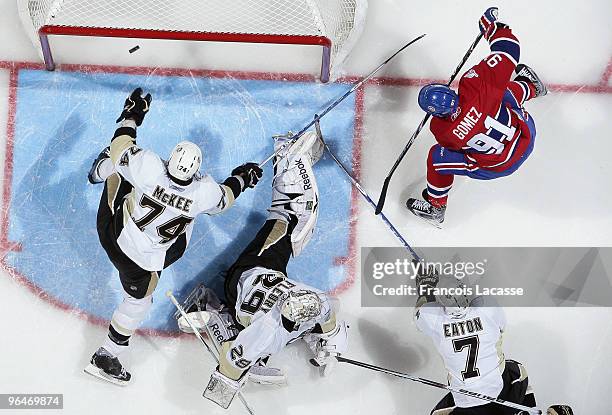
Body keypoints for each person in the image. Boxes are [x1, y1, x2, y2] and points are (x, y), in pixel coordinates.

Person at [84, 88, 263, 386]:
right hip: (143, 264)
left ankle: (99, 171)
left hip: (115, 235)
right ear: (194, 171)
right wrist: (243, 177)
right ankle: (108, 353)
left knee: (122, 165)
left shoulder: (150, 166)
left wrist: (133, 113)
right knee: (139, 303)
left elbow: (121, 142)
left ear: (170, 160)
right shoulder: (203, 192)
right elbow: (225, 197)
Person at [177, 128, 348, 409]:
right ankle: (213, 309)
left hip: (250, 273)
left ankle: (289, 158)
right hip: (249, 286)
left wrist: (232, 378)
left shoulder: (276, 328)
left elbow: (228, 368)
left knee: (289, 217)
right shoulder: (303, 311)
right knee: (293, 221)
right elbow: (328, 309)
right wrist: (330, 341)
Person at [406, 7, 547, 225]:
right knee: (500, 92)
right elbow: (510, 49)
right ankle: (531, 86)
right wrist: (492, 28)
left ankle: (436, 207)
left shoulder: (441, 130)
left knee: (436, 158)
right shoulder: (477, 87)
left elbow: (457, 136)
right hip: (525, 136)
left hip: (499, 165)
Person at [413, 268, 573, 415]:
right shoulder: (487, 307)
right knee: (516, 370)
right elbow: (501, 327)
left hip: (465, 400)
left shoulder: (432, 319)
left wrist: (425, 286)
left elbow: (420, 310)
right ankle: (525, 411)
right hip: (498, 391)